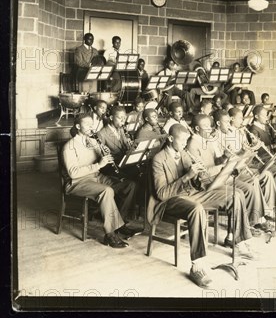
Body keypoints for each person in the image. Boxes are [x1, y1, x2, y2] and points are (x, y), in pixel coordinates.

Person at [149, 123, 255, 287]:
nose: (185, 144)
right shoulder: (158, 159)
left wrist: (198, 175)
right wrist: (187, 176)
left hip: (190, 193)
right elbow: (161, 194)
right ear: (170, 139)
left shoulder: (182, 153)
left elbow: (195, 182)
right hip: (169, 200)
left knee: (234, 195)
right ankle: (197, 265)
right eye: (182, 141)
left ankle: (239, 242)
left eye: (186, 141)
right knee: (196, 209)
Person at [62, 114, 141, 248]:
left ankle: (119, 225)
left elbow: (102, 159)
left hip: (96, 177)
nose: (91, 127)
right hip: (77, 182)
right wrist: (98, 165)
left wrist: (105, 153)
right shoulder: (69, 147)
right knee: (107, 191)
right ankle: (109, 235)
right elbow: (73, 173)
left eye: (92, 124)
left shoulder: (92, 142)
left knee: (129, 185)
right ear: (77, 126)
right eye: (87, 125)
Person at [189, 113, 272, 232]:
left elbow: (215, 161)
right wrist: (224, 166)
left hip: (218, 178)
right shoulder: (193, 144)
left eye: (209, 126)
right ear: (197, 128)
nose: (209, 129)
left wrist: (224, 157)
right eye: (205, 126)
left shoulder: (205, 140)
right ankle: (245, 227)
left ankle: (252, 222)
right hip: (207, 183)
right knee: (238, 193)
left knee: (250, 188)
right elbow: (202, 174)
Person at [96, 106, 138, 179]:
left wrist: (130, 145)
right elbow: (100, 157)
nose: (123, 121)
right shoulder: (101, 134)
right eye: (120, 118)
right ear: (111, 118)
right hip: (113, 168)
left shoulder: (121, 129)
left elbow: (125, 147)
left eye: (124, 118)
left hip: (123, 162)